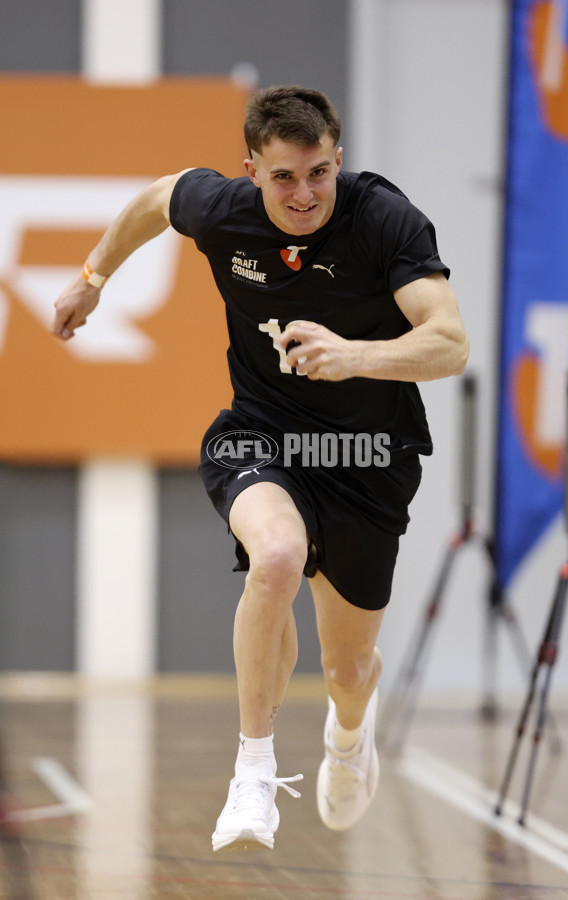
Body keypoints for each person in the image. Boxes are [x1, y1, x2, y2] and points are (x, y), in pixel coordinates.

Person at [52, 85, 469, 852]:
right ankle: (254, 771)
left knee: (347, 670)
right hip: (261, 435)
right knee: (275, 557)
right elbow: (156, 198)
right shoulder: (222, 210)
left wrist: (357, 358)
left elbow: (450, 342)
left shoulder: (381, 219)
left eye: (319, 172)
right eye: (284, 177)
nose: (304, 193)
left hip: (366, 456)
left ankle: (348, 736)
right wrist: (93, 277)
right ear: (253, 171)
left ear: (337, 160)